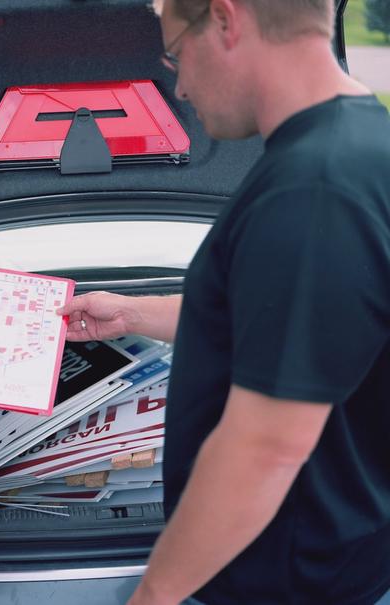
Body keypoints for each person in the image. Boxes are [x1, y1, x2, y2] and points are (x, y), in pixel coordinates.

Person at [58, 1, 390, 603]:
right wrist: (133, 314)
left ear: (226, 19)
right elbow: (279, 319)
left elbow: (265, 447)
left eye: (177, 55)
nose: (180, 86)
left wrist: (155, 595)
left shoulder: (315, 190)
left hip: (287, 580)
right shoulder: (358, 143)